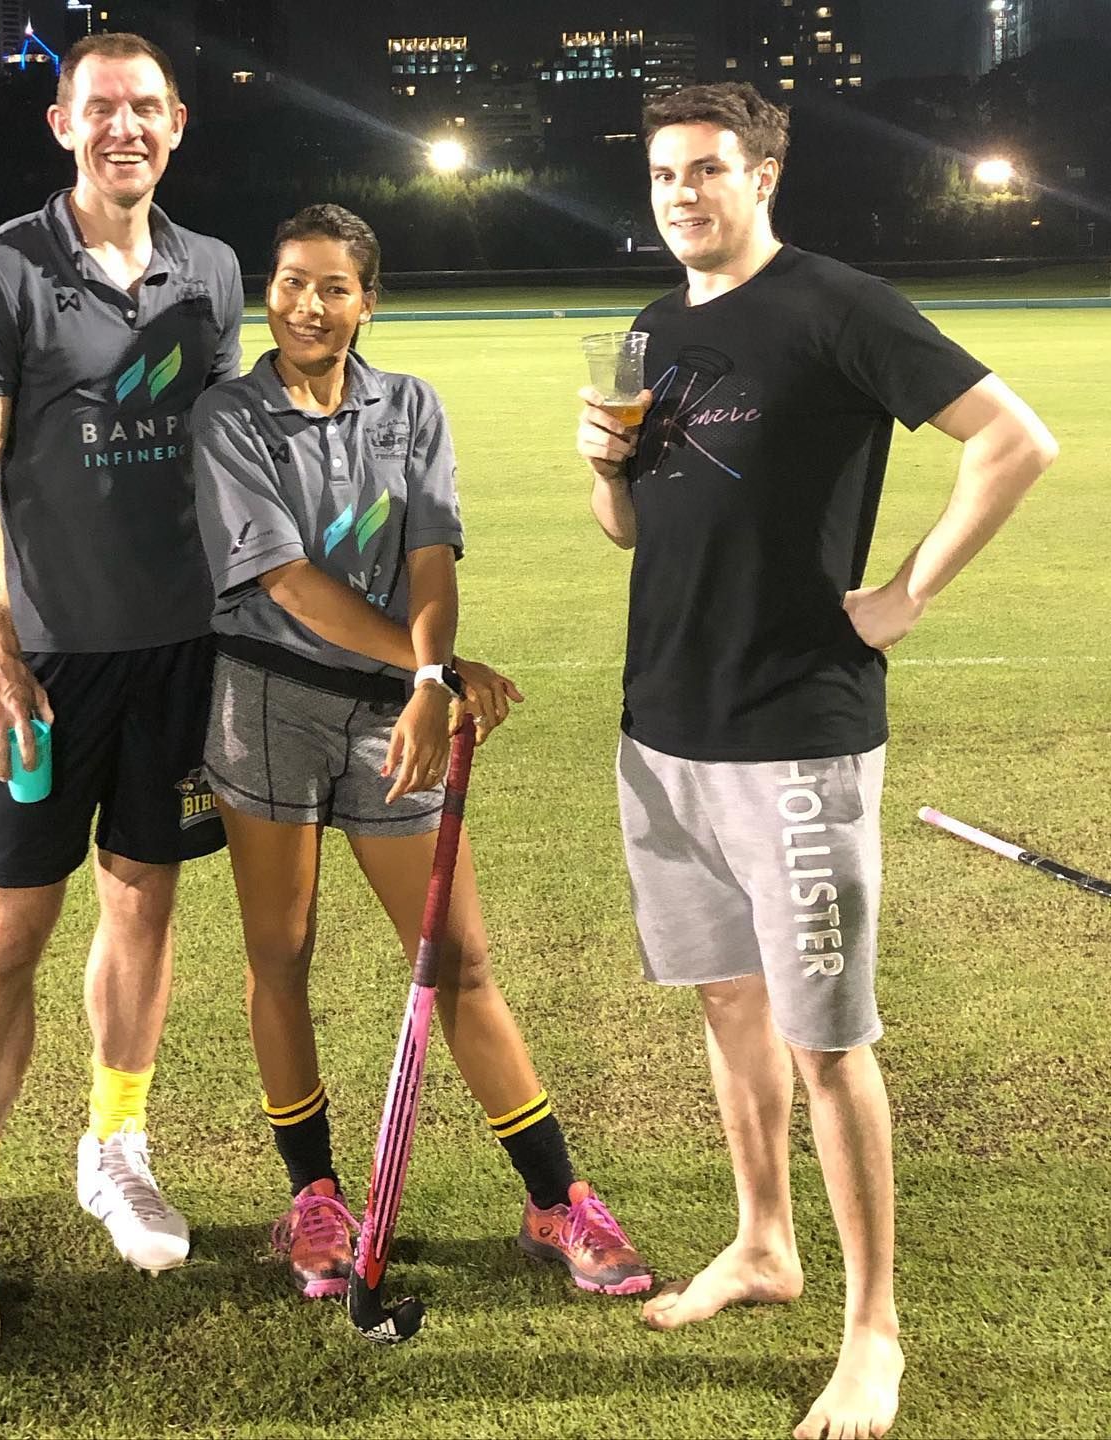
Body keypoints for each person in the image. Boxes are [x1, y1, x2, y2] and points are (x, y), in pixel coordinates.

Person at [574, 83, 1058, 1440]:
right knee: (730, 1008)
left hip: (794, 734)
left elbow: (1015, 440)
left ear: (764, 174)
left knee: (827, 1043)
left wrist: (907, 592)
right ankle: (763, 1243)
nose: (683, 193)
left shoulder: (839, 306)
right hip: (662, 727)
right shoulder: (652, 327)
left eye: (708, 169)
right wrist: (604, 470)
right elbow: (631, 531)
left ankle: (873, 1330)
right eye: (665, 173)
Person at [192, 203, 651, 1305]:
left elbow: (431, 554)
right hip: (268, 700)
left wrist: (428, 681)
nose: (308, 304)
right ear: (269, 290)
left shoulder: (411, 406)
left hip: (393, 711)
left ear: (368, 300)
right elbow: (285, 582)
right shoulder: (229, 414)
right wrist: (434, 672)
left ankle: (556, 1200)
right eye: (290, 281)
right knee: (280, 957)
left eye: (333, 286)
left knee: (458, 962)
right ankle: (314, 1198)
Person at [0, 31, 243, 1368]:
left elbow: (227, 456)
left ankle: (114, 1145)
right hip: (48, 664)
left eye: (145, 108)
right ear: (62, 123)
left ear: (178, 123)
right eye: (100, 106)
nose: (124, 127)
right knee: (7, 931)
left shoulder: (212, 270)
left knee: (144, 903)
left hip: (183, 653)